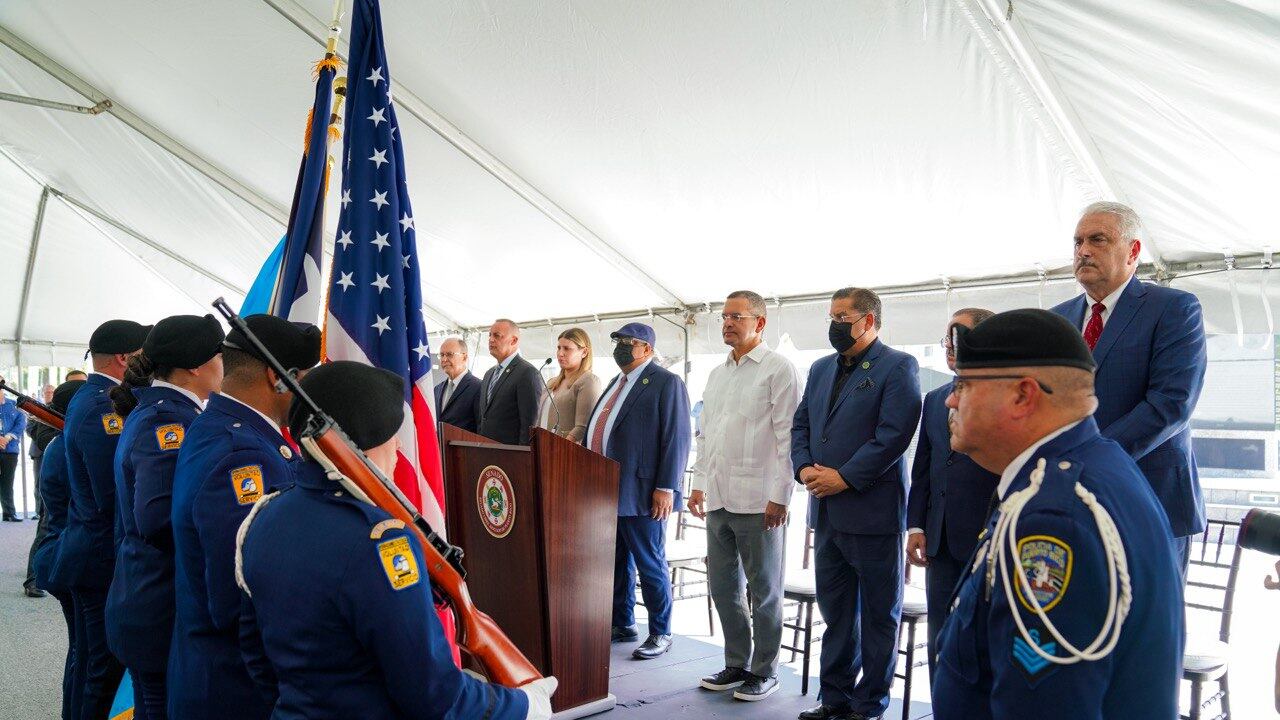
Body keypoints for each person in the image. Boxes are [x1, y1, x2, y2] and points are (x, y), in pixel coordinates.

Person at [236, 360, 558, 719]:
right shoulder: (379, 542)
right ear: (367, 442)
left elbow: (255, 656)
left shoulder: (264, 517)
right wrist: (522, 706)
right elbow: (435, 695)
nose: (396, 450)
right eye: (392, 436)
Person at [932, 308, 1184, 719]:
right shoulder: (1098, 466)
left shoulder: (1053, 520)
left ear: (1022, 396)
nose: (950, 398)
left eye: (965, 384)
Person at [168, 316, 320, 720]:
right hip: (235, 687)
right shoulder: (242, 455)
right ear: (279, 378)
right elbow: (241, 594)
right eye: (307, 378)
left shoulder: (227, 429)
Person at [1051, 202, 1207, 574]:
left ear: (1133, 251)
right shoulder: (1056, 319)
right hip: (1068, 502)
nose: (1083, 250)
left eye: (1097, 240)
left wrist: (1088, 458)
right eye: (1077, 242)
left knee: (1145, 625)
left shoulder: (1173, 308)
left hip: (1149, 498)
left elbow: (1171, 404)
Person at [792, 288, 922, 720]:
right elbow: (801, 425)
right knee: (837, 614)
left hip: (871, 511)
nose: (834, 324)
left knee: (879, 618)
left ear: (867, 320)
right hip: (825, 510)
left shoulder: (898, 366)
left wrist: (844, 477)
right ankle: (834, 700)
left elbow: (894, 435)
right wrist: (804, 467)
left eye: (842, 316)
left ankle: (868, 707)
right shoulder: (820, 368)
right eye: (831, 315)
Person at [105, 314, 225, 720]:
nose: (224, 364)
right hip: (158, 604)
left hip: (152, 599)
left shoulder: (166, 410)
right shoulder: (168, 421)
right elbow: (157, 518)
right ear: (194, 366)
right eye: (219, 355)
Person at [687, 291, 800, 701]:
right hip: (717, 494)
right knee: (723, 587)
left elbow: (789, 436)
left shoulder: (778, 369)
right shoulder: (718, 374)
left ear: (760, 323)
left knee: (764, 589)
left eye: (736, 316)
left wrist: (782, 495)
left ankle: (765, 669)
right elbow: (706, 436)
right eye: (723, 317)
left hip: (759, 498)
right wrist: (697, 483)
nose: (727, 323)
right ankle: (736, 662)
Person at [57, 318, 151, 720]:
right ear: (124, 358)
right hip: (98, 558)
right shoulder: (103, 403)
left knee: (87, 661)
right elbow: (110, 491)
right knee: (102, 668)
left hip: (87, 551)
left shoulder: (91, 395)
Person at [587, 322, 691, 659]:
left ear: (646, 348)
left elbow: (677, 438)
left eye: (627, 342)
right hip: (607, 490)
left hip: (644, 492)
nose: (619, 347)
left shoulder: (666, 382)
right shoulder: (617, 383)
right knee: (616, 562)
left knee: (650, 563)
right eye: (616, 340)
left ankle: (661, 631)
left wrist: (666, 486)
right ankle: (623, 622)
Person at [905, 308, 1000, 675]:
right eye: (948, 337)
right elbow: (925, 470)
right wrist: (916, 526)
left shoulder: (1004, 397)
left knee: (981, 642)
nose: (949, 345)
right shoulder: (936, 399)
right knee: (941, 639)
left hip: (986, 541)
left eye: (958, 336)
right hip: (939, 541)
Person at [31, 379, 88, 719]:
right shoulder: (67, 447)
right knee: (85, 653)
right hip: (68, 556)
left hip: (61, 554)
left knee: (80, 651)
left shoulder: (60, 445)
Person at [477, 319, 543, 445]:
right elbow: (483, 418)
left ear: (514, 340)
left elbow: (529, 424)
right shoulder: (489, 374)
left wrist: (522, 456)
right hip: (486, 451)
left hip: (510, 454)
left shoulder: (527, 373)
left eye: (497, 335)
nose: (491, 339)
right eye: (490, 335)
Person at [537, 328, 603, 442]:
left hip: (564, 453)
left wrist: (560, 449)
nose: (560, 353)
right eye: (559, 348)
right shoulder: (551, 382)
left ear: (584, 352)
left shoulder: (589, 381)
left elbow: (583, 427)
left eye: (567, 349)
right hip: (541, 447)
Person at [432, 337, 481, 432]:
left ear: (464, 357)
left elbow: (480, 427)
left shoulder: (479, 387)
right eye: (441, 355)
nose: (444, 359)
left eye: (450, 354)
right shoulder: (437, 389)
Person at [0, 393, 27, 521]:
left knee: (7, 481)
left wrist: (7, 437)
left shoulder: (14, 405)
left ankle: (9, 513)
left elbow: (21, 422)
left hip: (10, 450)